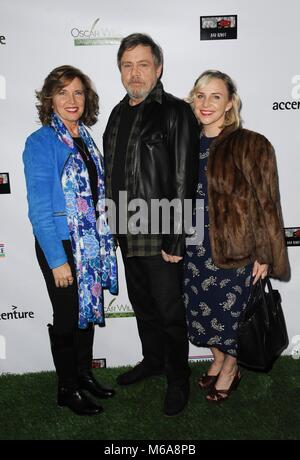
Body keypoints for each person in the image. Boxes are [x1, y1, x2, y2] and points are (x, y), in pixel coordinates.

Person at [103, 33, 199, 416]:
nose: (135, 73)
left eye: (143, 64)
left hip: (161, 231)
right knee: (143, 305)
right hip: (126, 229)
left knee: (170, 312)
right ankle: (153, 360)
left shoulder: (175, 111)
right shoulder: (116, 112)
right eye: (127, 65)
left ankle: (178, 379)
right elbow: (113, 173)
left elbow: (184, 177)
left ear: (158, 68)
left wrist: (176, 238)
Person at [183, 70, 290, 403]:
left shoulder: (250, 144)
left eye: (216, 96)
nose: (206, 103)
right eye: (200, 95)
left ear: (230, 103)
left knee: (232, 318)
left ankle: (231, 368)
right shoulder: (185, 143)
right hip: (192, 249)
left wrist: (265, 254)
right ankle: (217, 360)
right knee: (201, 312)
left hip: (235, 251)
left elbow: (267, 204)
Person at [23, 65, 118, 416]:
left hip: (89, 242)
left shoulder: (86, 138)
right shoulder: (41, 142)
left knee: (86, 312)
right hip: (62, 244)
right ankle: (67, 388)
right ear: (50, 99)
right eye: (62, 92)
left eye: (77, 92)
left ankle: (82, 375)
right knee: (66, 315)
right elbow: (39, 209)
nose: (71, 99)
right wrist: (56, 259)